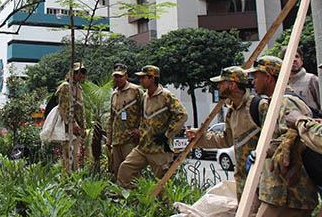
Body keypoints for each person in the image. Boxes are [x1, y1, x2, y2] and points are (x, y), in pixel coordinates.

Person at [245, 55, 317, 216]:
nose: (253, 81)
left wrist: (264, 151)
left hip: (289, 194)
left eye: (256, 76)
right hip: (279, 193)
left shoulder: (287, 102)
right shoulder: (274, 102)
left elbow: (294, 139)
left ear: (268, 78)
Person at [186, 66, 268, 201]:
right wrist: (199, 138)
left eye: (221, 83)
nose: (218, 87)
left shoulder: (258, 106)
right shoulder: (231, 112)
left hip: (263, 178)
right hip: (243, 179)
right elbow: (226, 140)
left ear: (233, 85)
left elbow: (275, 138)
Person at [117, 65, 187, 188]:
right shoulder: (144, 96)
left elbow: (182, 115)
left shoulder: (166, 96)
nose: (141, 81)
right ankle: (129, 198)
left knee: (162, 183)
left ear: (153, 78)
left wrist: (167, 134)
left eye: (144, 78)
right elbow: (144, 119)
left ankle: (163, 206)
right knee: (125, 168)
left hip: (159, 149)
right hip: (143, 147)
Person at [105, 64, 143, 177]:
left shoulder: (136, 91)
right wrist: (109, 139)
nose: (118, 79)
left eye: (120, 76)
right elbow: (111, 118)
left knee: (131, 170)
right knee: (117, 170)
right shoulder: (114, 94)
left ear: (126, 76)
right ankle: (121, 193)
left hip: (130, 139)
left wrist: (140, 130)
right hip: (116, 140)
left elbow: (145, 112)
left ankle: (135, 193)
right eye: (116, 76)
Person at [57, 62, 87, 172]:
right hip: (68, 128)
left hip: (77, 128)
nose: (81, 75)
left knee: (76, 156)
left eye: (83, 72)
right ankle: (67, 181)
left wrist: (83, 127)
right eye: (78, 72)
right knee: (68, 156)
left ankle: (74, 179)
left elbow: (80, 110)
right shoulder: (66, 86)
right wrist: (72, 123)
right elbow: (64, 108)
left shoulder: (78, 87)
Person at [282, 46, 320, 111]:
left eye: (297, 56)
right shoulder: (280, 84)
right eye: (290, 56)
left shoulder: (312, 79)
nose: (294, 59)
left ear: (301, 60)